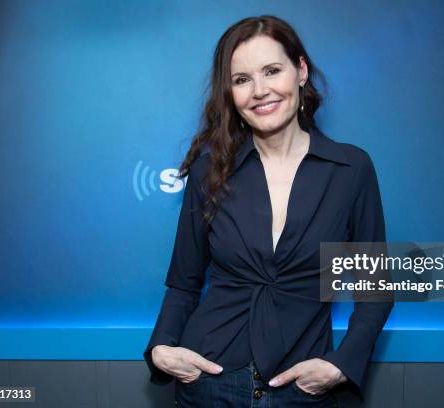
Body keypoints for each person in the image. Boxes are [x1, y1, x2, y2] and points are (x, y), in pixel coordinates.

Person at [144, 15, 393, 407]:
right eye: (242, 79)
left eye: (272, 71)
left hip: (305, 388)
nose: (259, 91)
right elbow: (183, 283)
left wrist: (341, 365)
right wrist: (160, 349)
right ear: (230, 92)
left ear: (300, 71)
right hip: (209, 382)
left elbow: (374, 290)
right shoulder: (209, 171)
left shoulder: (351, 169)